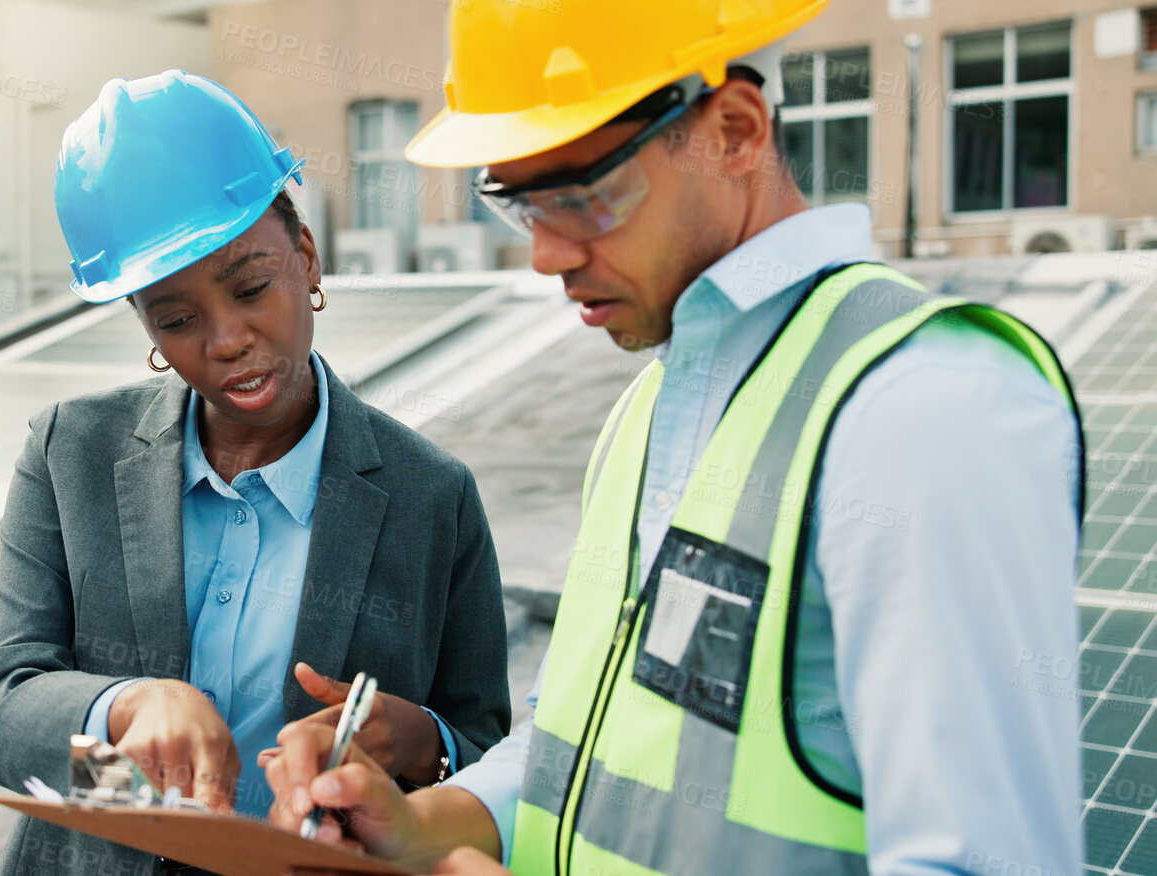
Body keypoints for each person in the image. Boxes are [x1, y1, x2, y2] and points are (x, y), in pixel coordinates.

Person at [263, 0, 1086, 874]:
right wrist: (433, 822)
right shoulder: (649, 409)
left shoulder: (925, 406)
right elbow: (586, 743)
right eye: (518, 204)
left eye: (579, 196)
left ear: (733, 131)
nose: (543, 255)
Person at [0, 69, 511, 876]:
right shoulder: (70, 454)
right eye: (177, 319)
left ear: (309, 259)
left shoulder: (431, 497)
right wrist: (122, 717)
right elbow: (2, 715)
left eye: (251, 286)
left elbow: (490, 754)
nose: (224, 340)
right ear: (145, 324)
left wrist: (420, 743)